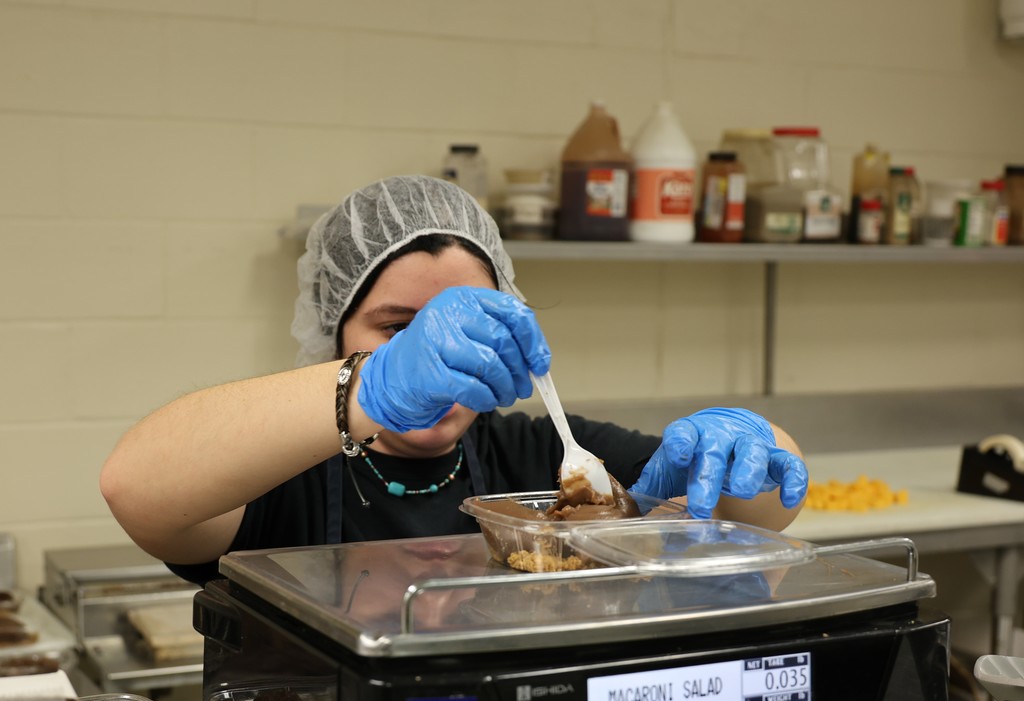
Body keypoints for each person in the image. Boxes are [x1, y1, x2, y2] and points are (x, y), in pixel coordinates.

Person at [100, 175, 808, 585]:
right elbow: (136, 488)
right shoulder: (280, 474)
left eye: (459, 329)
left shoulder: (540, 458)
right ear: (336, 334)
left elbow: (769, 510)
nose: (437, 364)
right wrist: (371, 390)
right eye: (395, 329)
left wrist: (756, 444)